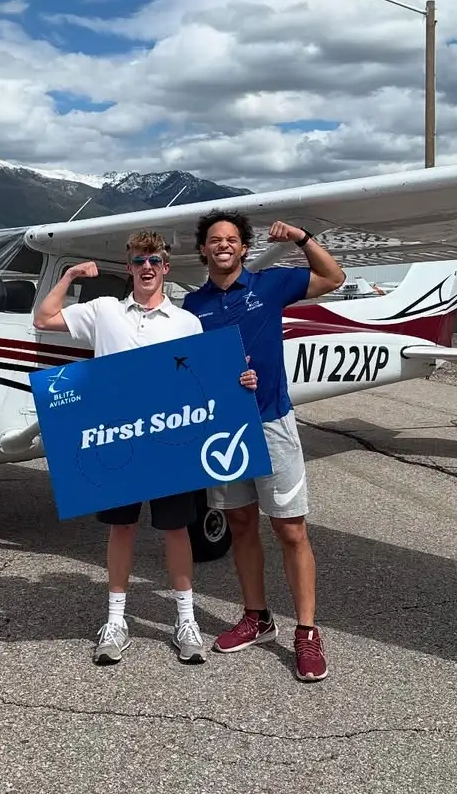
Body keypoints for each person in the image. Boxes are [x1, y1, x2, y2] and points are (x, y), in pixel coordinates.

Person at [34, 229, 259, 666]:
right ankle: (116, 621)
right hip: (118, 440)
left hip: (170, 440)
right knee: (122, 528)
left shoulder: (186, 322)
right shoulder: (103, 310)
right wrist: (72, 274)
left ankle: (185, 620)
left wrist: (239, 380)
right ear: (129, 266)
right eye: (139, 261)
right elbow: (44, 319)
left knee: (176, 529)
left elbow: (205, 380)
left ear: (166, 267)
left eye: (155, 261)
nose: (147, 268)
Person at [182, 211, 345, 682]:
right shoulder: (193, 306)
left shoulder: (270, 285)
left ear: (244, 247)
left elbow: (334, 277)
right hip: (225, 428)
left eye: (231, 239)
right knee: (239, 523)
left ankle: (308, 632)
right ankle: (257, 617)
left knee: (291, 530)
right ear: (203, 250)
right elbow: (183, 369)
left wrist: (301, 238)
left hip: (271, 421)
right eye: (215, 240)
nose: (223, 246)